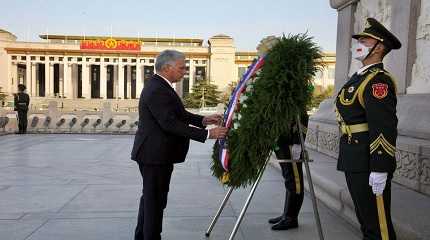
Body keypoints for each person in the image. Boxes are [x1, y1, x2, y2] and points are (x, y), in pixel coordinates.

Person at [130, 50, 228, 240]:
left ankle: (142, 236)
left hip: (156, 154)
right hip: (154, 155)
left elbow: (178, 114)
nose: (185, 71)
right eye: (182, 67)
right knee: (155, 202)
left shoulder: (161, 85)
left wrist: (203, 120)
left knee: (152, 200)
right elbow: (169, 123)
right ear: (167, 68)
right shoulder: (157, 89)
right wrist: (208, 134)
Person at [335, 18, 401, 240]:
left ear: (379, 46)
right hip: (354, 157)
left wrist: (381, 167)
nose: (358, 43)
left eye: (364, 40)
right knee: (367, 221)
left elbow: (384, 127)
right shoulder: (359, 77)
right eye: (359, 40)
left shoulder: (377, 82)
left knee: (378, 225)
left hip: (368, 160)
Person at [269, 112, 308, 230]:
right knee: (288, 178)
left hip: (291, 143)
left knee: (294, 181)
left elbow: (302, 117)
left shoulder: (294, 95)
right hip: (282, 142)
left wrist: (298, 142)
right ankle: (287, 214)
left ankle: (291, 218)